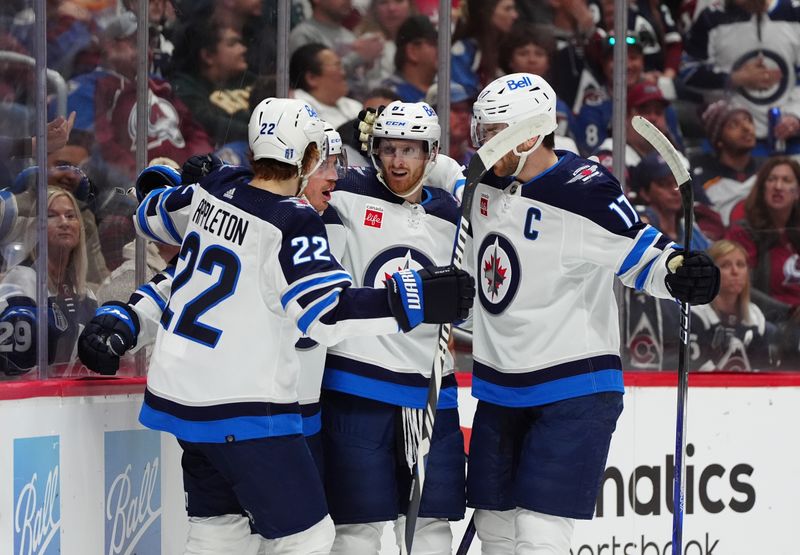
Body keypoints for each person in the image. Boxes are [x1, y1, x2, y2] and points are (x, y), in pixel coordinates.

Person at [76, 97, 473, 554]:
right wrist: (412, 298)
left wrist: (125, 315)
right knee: (309, 537)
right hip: (253, 405)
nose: (334, 175)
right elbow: (327, 310)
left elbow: (162, 232)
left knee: (217, 530)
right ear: (303, 159)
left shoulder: (219, 188)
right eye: (323, 161)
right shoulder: (294, 221)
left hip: (188, 398)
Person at [443, 72, 719, 551]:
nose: (482, 145)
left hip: (573, 387)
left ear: (528, 136)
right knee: (495, 528)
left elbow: (643, 254)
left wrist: (679, 270)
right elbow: (440, 175)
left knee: (539, 532)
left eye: (492, 134)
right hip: (500, 385)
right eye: (480, 133)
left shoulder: (583, 190)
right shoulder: (482, 183)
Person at [319, 101, 468, 554]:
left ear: (432, 154)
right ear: (373, 150)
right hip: (357, 387)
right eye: (388, 149)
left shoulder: (452, 213)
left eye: (411, 150)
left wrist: (457, 176)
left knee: (431, 524)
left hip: (430, 391)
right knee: (357, 528)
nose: (398, 161)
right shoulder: (345, 193)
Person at [681, 0, 800, 156]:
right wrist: (733, 79)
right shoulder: (712, 17)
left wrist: (795, 115)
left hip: (790, 140)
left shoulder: (794, 13)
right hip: (729, 145)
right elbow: (688, 73)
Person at [0, 187, 97, 376]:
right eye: (52, 216)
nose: (64, 223)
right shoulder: (23, 280)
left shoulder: (86, 294)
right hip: (29, 399)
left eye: (70, 216)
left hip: (71, 400)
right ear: (36, 229)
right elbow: (14, 366)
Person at [726, 157, 800, 323]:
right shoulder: (744, 232)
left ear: (797, 192)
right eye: (771, 179)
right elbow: (740, 287)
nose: (778, 186)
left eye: (786, 180)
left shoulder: (796, 231)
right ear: (762, 187)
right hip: (770, 324)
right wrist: (789, 313)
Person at [691, 239, 774, 371]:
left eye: (741, 265)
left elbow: (762, 370)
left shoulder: (756, 318)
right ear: (709, 272)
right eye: (725, 265)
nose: (735, 271)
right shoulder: (695, 315)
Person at [691, 99, 763, 226]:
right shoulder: (701, 179)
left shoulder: (767, 171)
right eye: (734, 125)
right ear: (719, 141)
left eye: (748, 120)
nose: (747, 128)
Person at [451, 0, 519, 98]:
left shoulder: (503, 47)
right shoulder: (462, 51)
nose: (514, 15)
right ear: (486, 12)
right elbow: (460, 97)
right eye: (507, 9)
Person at [290, 44, 363, 129]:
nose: (344, 73)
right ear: (311, 78)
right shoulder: (297, 110)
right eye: (337, 66)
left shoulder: (354, 106)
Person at [382, 15, 438, 103]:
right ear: (412, 52)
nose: (442, 49)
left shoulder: (446, 90)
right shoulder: (388, 96)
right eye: (433, 44)